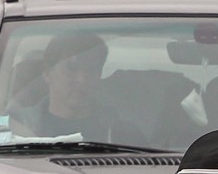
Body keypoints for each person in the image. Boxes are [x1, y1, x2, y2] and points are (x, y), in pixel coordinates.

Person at [10, 31, 138, 142]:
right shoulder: (15, 128)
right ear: (48, 73)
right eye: (71, 68)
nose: (82, 79)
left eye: (92, 70)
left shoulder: (122, 134)